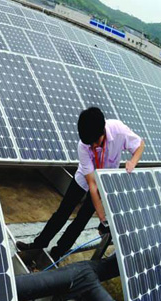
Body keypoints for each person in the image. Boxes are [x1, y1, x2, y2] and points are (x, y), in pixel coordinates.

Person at [17, 107, 145, 260]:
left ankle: (57, 253)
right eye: (90, 144)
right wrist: (102, 218)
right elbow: (92, 184)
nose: (93, 147)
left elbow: (140, 144)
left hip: (102, 183)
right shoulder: (83, 146)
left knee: (81, 220)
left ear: (103, 131)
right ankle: (38, 245)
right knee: (63, 212)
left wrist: (133, 161)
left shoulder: (119, 130)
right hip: (83, 180)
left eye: (96, 142)